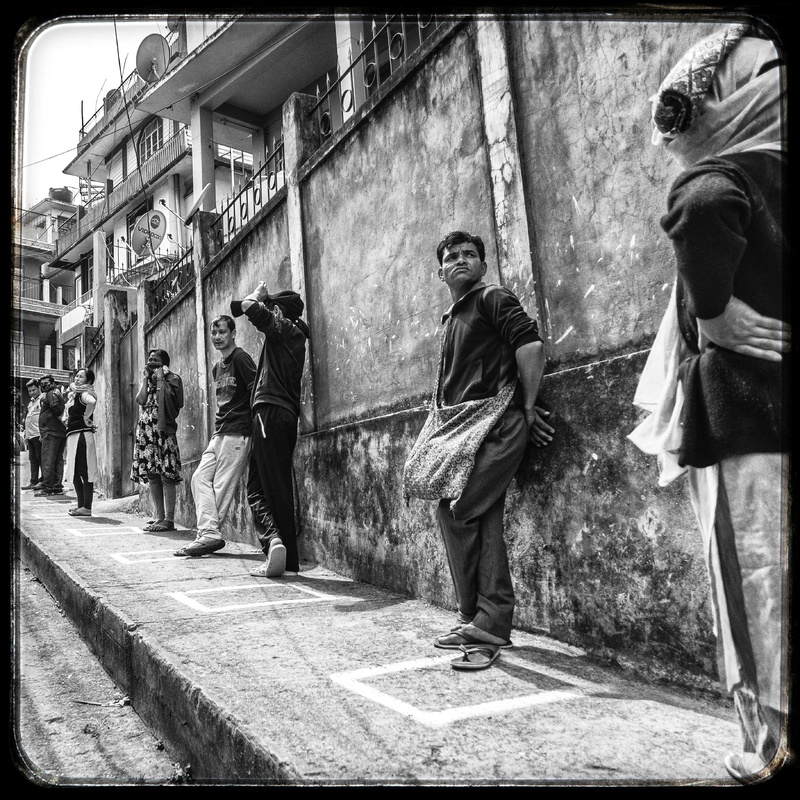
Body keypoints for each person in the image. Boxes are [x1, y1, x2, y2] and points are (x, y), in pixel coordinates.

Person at [628, 25, 788, 784]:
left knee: (753, 584)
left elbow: (695, 208)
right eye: (761, 76)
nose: (775, 86)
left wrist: (712, 309)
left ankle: (770, 746)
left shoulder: (724, 176)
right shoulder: (764, 175)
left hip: (742, 423)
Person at [428, 231, 553, 671]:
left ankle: (490, 621)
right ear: (441, 271)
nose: (460, 260)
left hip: (499, 430)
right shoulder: (452, 317)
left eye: (469, 255)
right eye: (451, 256)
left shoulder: (492, 298)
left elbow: (531, 346)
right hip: (466, 435)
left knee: (460, 510)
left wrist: (529, 406)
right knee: (472, 515)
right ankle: (475, 619)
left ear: (482, 266)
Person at [230, 282, 309, 578]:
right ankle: (287, 561)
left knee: (256, 489)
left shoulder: (283, 329)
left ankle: (272, 541)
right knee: (278, 486)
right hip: (285, 416)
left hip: (269, 412)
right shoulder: (295, 336)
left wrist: (259, 295)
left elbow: (250, 307)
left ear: (278, 311)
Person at [174, 315, 256, 557]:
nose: (217, 337)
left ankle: (207, 535)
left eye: (222, 332)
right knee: (199, 478)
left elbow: (256, 390)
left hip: (239, 431)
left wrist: (257, 425)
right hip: (220, 431)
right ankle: (209, 534)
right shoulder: (217, 367)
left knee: (221, 486)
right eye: (214, 333)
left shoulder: (241, 358)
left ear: (233, 333)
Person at [131, 348, 184, 532]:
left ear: (164, 363)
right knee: (153, 476)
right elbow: (140, 400)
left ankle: (169, 519)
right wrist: (146, 379)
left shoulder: (173, 379)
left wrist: (161, 378)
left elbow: (174, 404)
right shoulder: (148, 380)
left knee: (166, 475)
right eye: (149, 359)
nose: (151, 362)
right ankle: (159, 517)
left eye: (155, 359)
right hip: (146, 431)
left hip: (163, 431)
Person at [63, 368, 98, 517]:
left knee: (85, 472)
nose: (77, 379)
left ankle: (87, 507)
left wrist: (86, 416)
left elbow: (92, 401)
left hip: (82, 436)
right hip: (74, 436)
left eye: (81, 377)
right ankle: (81, 506)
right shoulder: (75, 394)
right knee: (75, 473)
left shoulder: (84, 393)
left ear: (88, 381)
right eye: (76, 376)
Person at [34, 374, 67, 497]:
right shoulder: (54, 392)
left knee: (48, 459)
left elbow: (57, 409)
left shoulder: (51, 393)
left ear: (52, 383)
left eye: (46, 383)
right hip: (56, 432)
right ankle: (56, 486)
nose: (43, 385)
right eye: (41, 383)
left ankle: (48, 487)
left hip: (51, 432)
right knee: (57, 460)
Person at [21, 379, 43, 490]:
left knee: (41, 459)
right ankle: (33, 481)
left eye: (34, 390)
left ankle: (43, 481)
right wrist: (25, 434)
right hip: (30, 436)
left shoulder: (42, 400)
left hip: (39, 435)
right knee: (32, 459)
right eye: (30, 391)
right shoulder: (31, 403)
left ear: (39, 388)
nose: (32, 392)